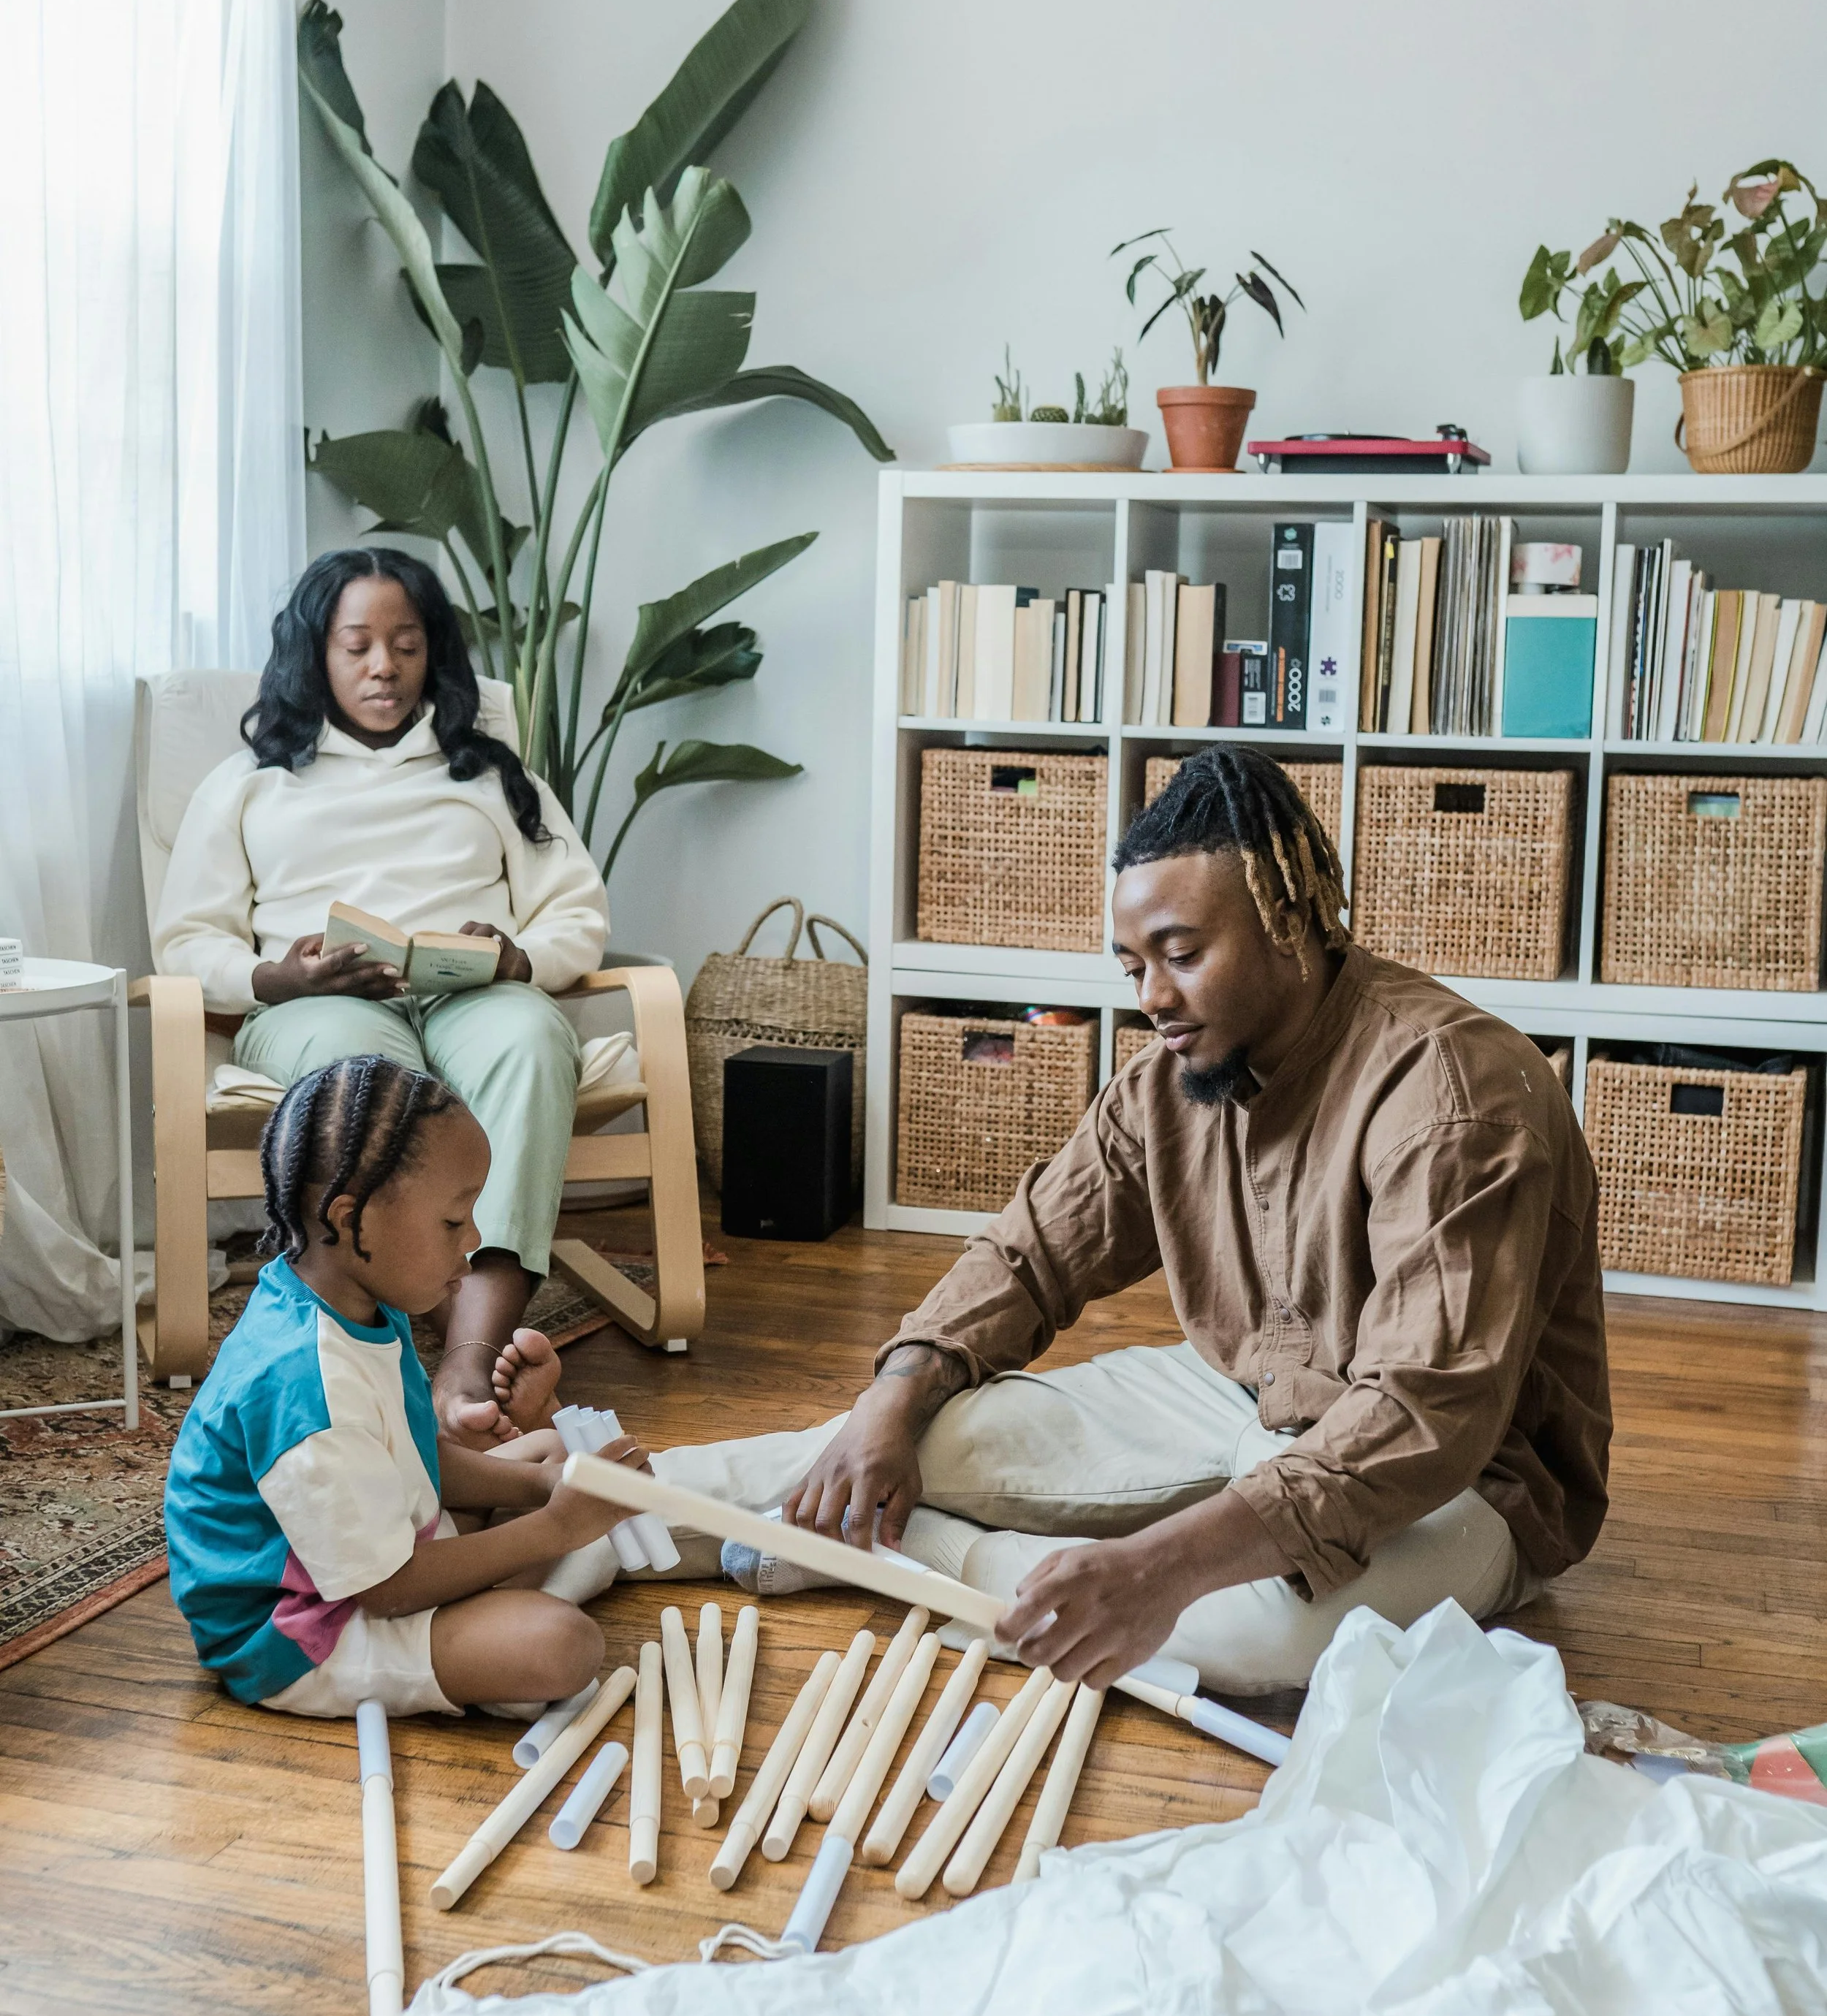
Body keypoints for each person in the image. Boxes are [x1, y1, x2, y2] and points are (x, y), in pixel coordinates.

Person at [662, 748, 1611, 1696]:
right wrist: (893, 1397)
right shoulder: (1169, 1076)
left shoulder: (1456, 1094)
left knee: (1248, 1636)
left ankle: (906, 1553)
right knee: (905, 1438)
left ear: (1289, 921)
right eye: (1134, 966)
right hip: (1239, 1395)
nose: (1152, 997)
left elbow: (1422, 1414)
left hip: (1463, 1481)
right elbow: (1029, 1255)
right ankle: (606, 1504)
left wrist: (1163, 1565)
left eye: (1182, 956)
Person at [153, 545, 609, 1442]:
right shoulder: (249, 782)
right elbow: (187, 939)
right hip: (315, 1005)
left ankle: (469, 1360)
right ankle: (417, 1341)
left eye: (405, 646)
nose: (383, 668)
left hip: (473, 995)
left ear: (432, 653)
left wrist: (517, 959)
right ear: (316, 653)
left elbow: (577, 912)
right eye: (357, 645)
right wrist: (278, 977)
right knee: (363, 1077)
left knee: (527, 1041)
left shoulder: (489, 774)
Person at [163, 1056, 633, 1719]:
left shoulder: (362, 1302)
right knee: (564, 1646)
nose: (475, 1240)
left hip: (372, 1559)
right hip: (303, 1632)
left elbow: (414, 1459)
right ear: (353, 1220)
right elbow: (385, 1591)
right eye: (454, 1221)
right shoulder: (307, 1385)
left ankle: (488, 1619)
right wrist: (557, 1526)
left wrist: (542, 1488)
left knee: (552, 1456)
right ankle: (493, 1633)